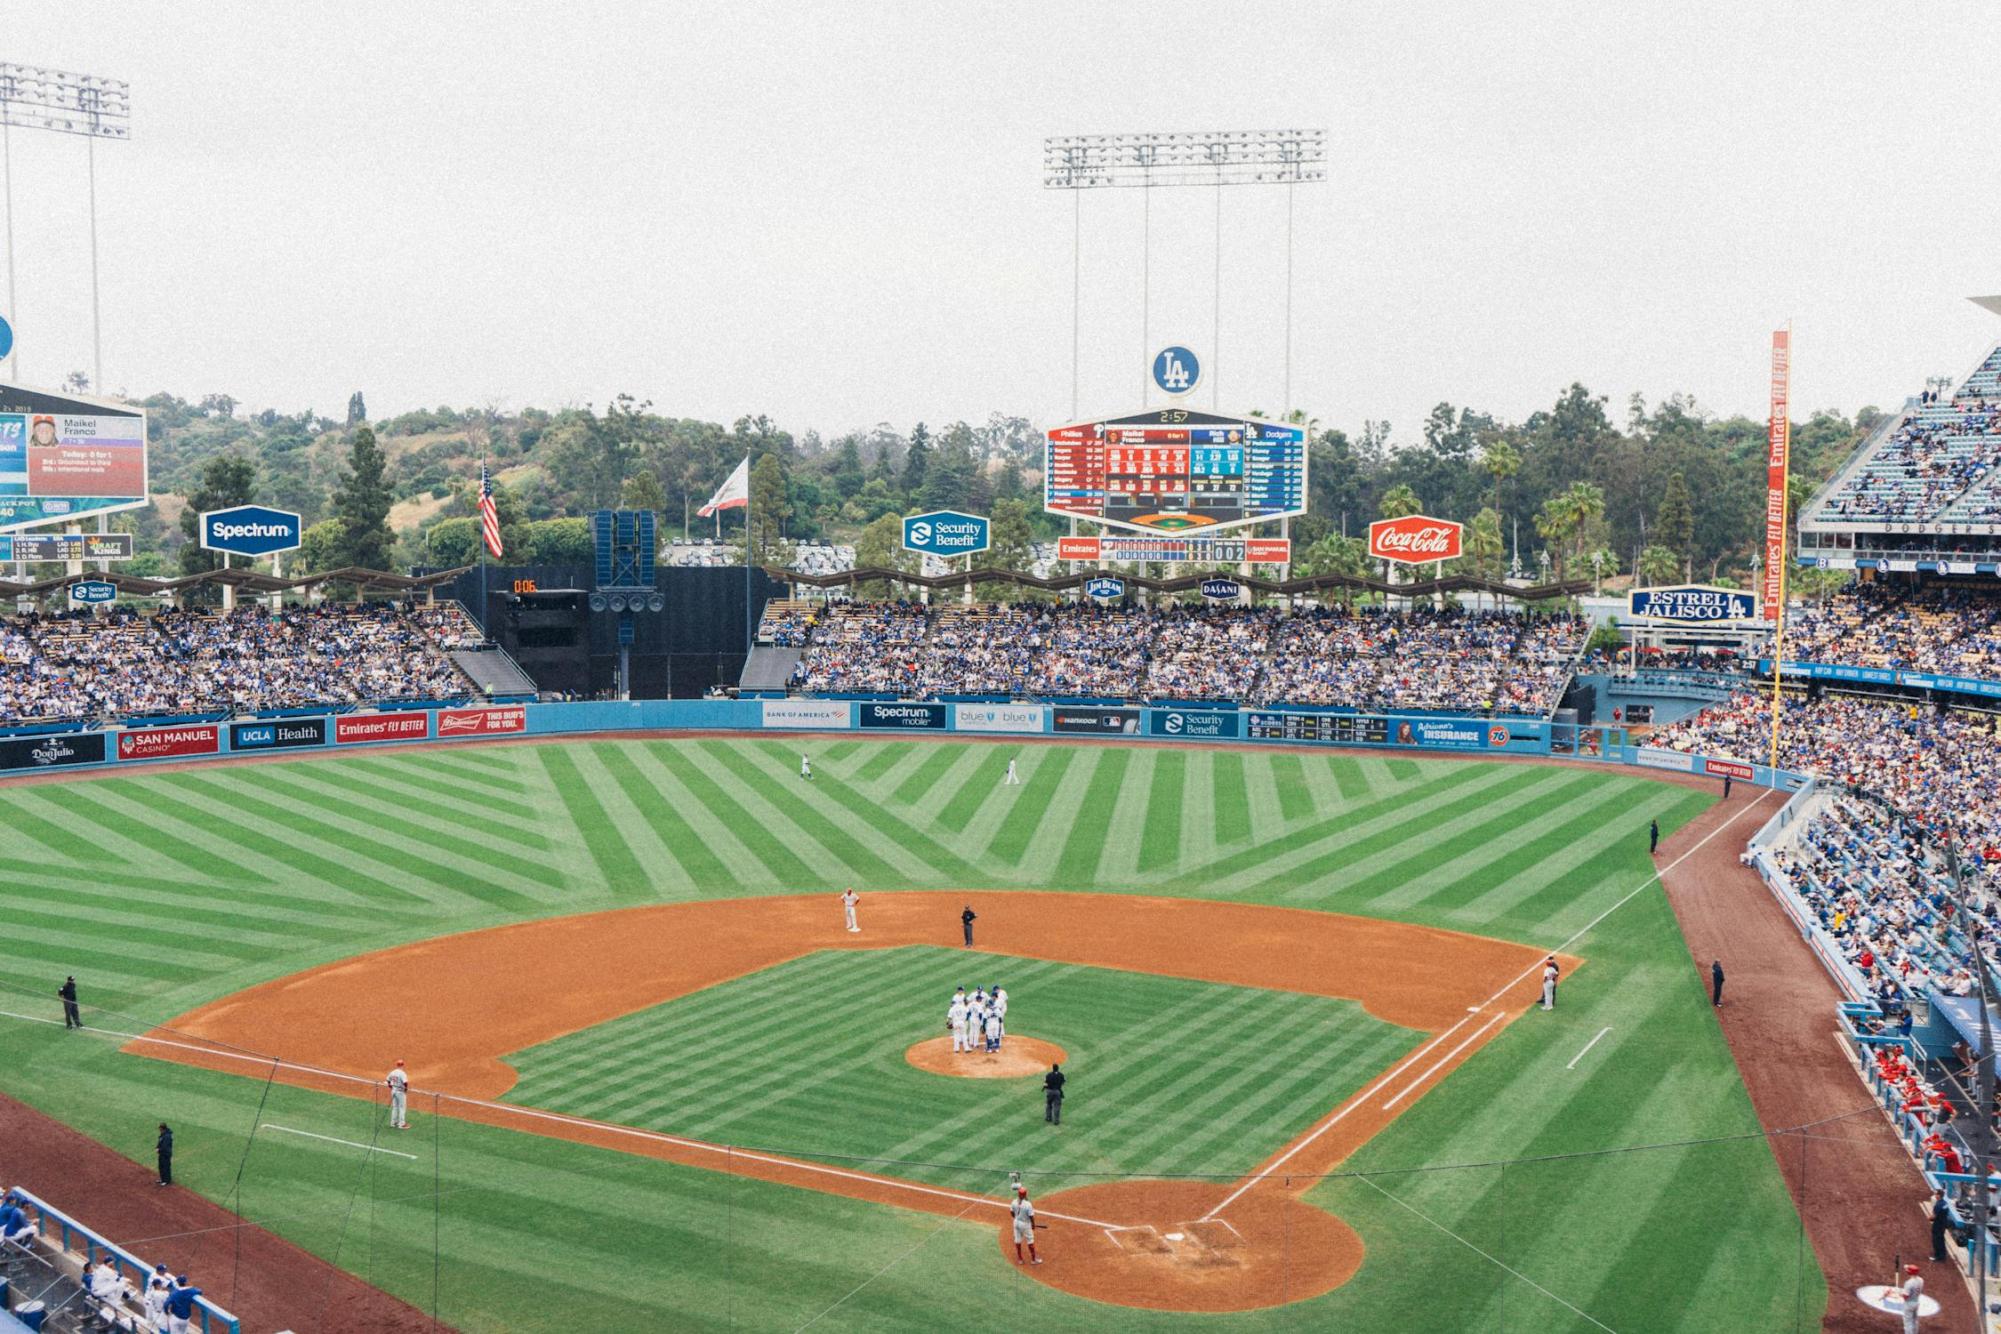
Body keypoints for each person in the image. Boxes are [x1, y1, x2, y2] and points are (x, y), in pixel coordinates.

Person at [1010, 1185, 1042, 1264]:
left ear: (1018, 1194)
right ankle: (1034, 1260)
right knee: (1030, 1240)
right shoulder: (1028, 1204)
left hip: (1016, 1222)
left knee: (1017, 1240)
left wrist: (1017, 1217)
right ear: (1025, 1195)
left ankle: (1020, 1259)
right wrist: (1033, 1225)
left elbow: (1011, 1212)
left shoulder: (1013, 1202)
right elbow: (1031, 1216)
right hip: (1025, 1224)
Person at [1897, 1263, 1923, 1334]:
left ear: (1909, 1272)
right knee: (1915, 1320)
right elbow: (1910, 1270)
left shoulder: (1909, 1283)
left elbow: (1905, 1297)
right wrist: (1906, 1267)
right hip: (1917, 1302)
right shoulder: (1921, 1280)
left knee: (1907, 1323)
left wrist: (1900, 1293)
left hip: (1909, 1304)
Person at [144, 1265, 172, 1330]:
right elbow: (170, 1284)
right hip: (152, 1303)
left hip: (149, 1299)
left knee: (150, 1322)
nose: (165, 1272)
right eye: (163, 1271)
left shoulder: (153, 1274)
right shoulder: (159, 1279)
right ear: (159, 1271)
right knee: (158, 1324)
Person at [387, 1060, 410, 1130]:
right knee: (402, 1108)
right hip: (400, 1092)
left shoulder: (393, 1072)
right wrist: (405, 1089)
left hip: (393, 1091)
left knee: (395, 1107)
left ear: (397, 1065)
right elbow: (405, 1082)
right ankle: (401, 1124)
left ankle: (393, 1123)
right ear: (402, 1065)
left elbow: (388, 1080)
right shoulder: (402, 1073)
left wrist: (391, 1087)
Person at [1933, 1188, 1953, 1262]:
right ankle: (1942, 1256)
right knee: (1941, 1240)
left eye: (1936, 1194)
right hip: (1943, 1224)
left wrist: (1929, 1218)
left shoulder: (1938, 1205)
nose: (1935, 1195)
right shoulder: (1945, 1204)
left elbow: (1934, 1216)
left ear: (1939, 1195)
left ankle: (1938, 1257)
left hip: (1937, 1225)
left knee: (1936, 1240)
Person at [156, 1122, 174, 1186]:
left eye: (160, 1128)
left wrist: (159, 1149)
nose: (159, 1129)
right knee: (161, 1166)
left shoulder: (167, 1136)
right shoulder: (163, 1134)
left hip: (166, 1154)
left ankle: (166, 1181)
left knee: (165, 1167)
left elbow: (165, 1146)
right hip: (162, 1153)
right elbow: (160, 1141)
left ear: (162, 1128)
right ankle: (162, 1178)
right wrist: (157, 1147)